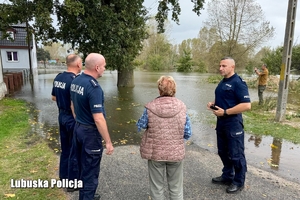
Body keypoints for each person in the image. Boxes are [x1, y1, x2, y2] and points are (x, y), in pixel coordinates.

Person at [136, 76, 192, 200]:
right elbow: (187, 132)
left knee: (156, 188)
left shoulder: (150, 107)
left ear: (159, 90)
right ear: (174, 90)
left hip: (155, 153)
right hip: (176, 154)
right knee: (176, 188)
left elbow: (140, 125)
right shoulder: (182, 107)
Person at [70, 53, 114, 200]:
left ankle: (86, 195)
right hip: (90, 134)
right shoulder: (94, 88)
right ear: (97, 67)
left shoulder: (77, 80)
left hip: (78, 129)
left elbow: (72, 104)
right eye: (104, 66)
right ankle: (87, 196)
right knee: (90, 171)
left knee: (82, 166)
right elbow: (98, 118)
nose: (105, 68)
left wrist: (79, 120)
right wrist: (108, 141)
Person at [207, 57, 251, 194]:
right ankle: (227, 176)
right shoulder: (223, 82)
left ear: (232, 67)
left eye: (224, 66)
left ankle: (239, 182)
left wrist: (225, 112)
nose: (220, 68)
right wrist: (213, 104)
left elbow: (246, 105)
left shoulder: (238, 83)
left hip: (233, 124)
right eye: (220, 65)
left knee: (236, 154)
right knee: (223, 152)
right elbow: (225, 98)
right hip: (221, 123)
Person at [51, 54, 82, 184]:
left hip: (61, 115)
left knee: (65, 148)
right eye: (81, 62)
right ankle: (73, 181)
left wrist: (62, 102)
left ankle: (63, 177)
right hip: (71, 118)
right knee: (74, 150)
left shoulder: (58, 77)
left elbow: (53, 97)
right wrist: (78, 121)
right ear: (77, 64)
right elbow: (72, 104)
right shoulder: (74, 80)